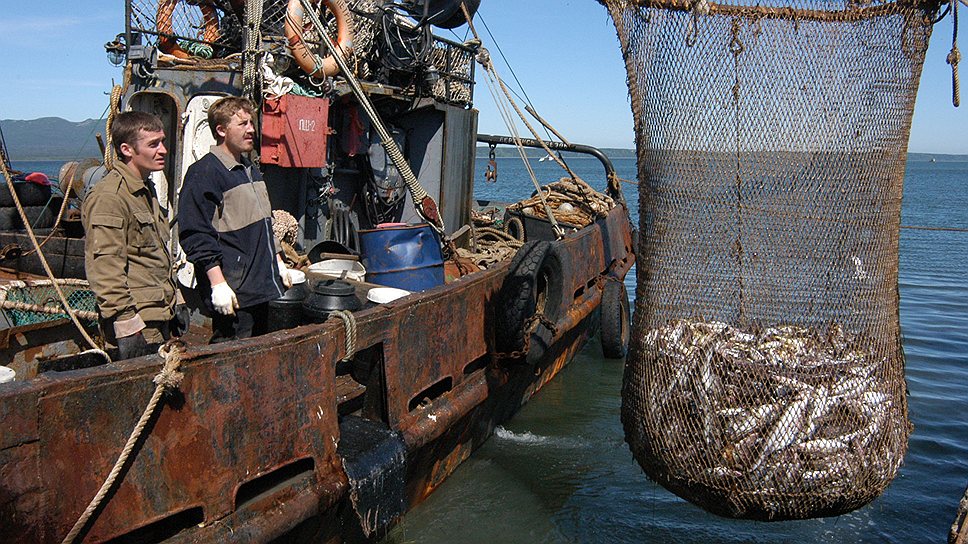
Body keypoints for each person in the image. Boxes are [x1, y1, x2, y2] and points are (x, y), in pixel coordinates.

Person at [178, 96, 296, 343]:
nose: (251, 129)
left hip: (262, 285)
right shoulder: (204, 173)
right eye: (242, 124)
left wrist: (278, 262)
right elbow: (196, 233)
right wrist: (218, 284)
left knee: (256, 353)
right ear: (221, 130)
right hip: (234, 289)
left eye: (251, 123)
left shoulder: (249, 170)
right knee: (229, 354)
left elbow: (265, 221)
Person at [82, 111, 186, 359]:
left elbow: (155, 255)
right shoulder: (110, 197)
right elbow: (105, 267)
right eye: (153, 144)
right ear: (127, 149)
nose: (162, 150)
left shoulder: (144, 190)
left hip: (158, 315)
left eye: (162, 142)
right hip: (138, 322)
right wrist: (127, 324)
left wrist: (178, 300)